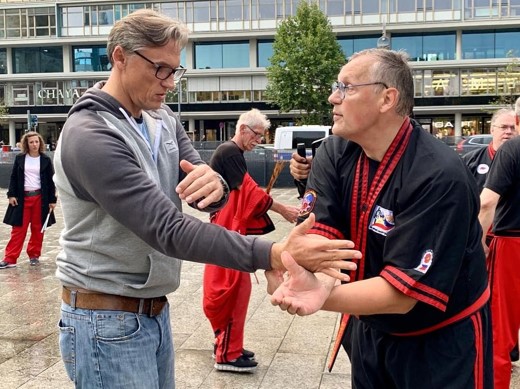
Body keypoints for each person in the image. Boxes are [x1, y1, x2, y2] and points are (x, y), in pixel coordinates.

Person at [53, 9, 358, 389]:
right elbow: (168, 229)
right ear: (119, 57)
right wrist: (274, 253)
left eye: (175, 71)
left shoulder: (160, 116)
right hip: (105, 317)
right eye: (160, 69)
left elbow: (204, 180)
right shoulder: (91, 136)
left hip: (150, 310)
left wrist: (215, 189)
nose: (170, 82)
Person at [268, 48, 492, 388]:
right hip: (371, 329)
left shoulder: (438, 174)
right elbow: (322, 238)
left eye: (346, 87)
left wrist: (319, 295)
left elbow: (402, 295)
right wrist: (307, 271)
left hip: (441, 341)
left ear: (387, 98)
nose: (333, 97)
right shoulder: (334, 150)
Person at [203, 108, 299, 373]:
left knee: (234, 287)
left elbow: (247, 193)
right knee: (234, 289)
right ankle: (227, 353)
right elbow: (248, 191)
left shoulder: (231, 152)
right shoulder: (230, 152)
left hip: (225, 230)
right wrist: (282, 208)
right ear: (243, 129)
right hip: (228, 230)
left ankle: (228, 345)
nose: (259, 140)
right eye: (257, 135)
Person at [478, 97, 520, 389]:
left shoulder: (512, 150)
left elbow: (487, 203)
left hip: (511, 245)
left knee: (500, 332)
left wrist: (477, 243)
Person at [1, 131, 57, 269]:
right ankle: (10, 259)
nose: (34, 144)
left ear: (40, 143)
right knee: (18, 229)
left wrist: (52, 200)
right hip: (22, 198)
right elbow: (13, 177)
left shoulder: (45, 160)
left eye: (37, 142)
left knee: (38, 229)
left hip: (40, 198)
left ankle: (34, 255)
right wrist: (11, 195)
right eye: (31, 142)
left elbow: (51, 181)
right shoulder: (20, 158)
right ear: (26, 144)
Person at [462, 108, 517, 192]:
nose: (509, 131)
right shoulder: (470, 160)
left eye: (513, 128)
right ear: (492, 129)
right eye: (503, 127)